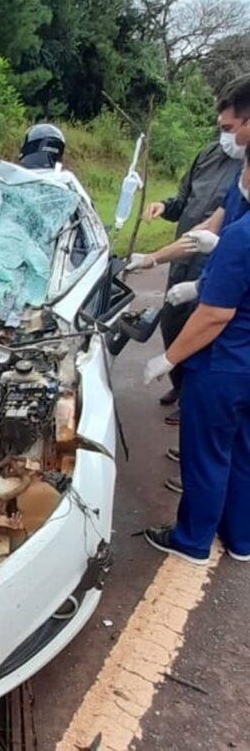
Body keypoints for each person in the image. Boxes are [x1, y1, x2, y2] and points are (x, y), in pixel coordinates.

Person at [141, 146, 250, 565]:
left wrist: (168, 359)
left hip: (224, 364)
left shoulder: (241, 236)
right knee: (242, 452)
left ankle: (192, 542)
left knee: (207, 455)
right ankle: (240, 539)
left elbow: (215, 314)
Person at [134, 77, 250, 418]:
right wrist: (152, 259)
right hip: (193, 264)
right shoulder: (213, 157)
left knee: (203, 342)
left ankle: (193, 401)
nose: (226, 136)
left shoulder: (242, 170)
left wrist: (165, 360)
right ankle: (185, 388)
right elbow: (200, 217)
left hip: (230, 346)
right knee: (173, 322)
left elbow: (216, 313)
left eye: (230, 127)